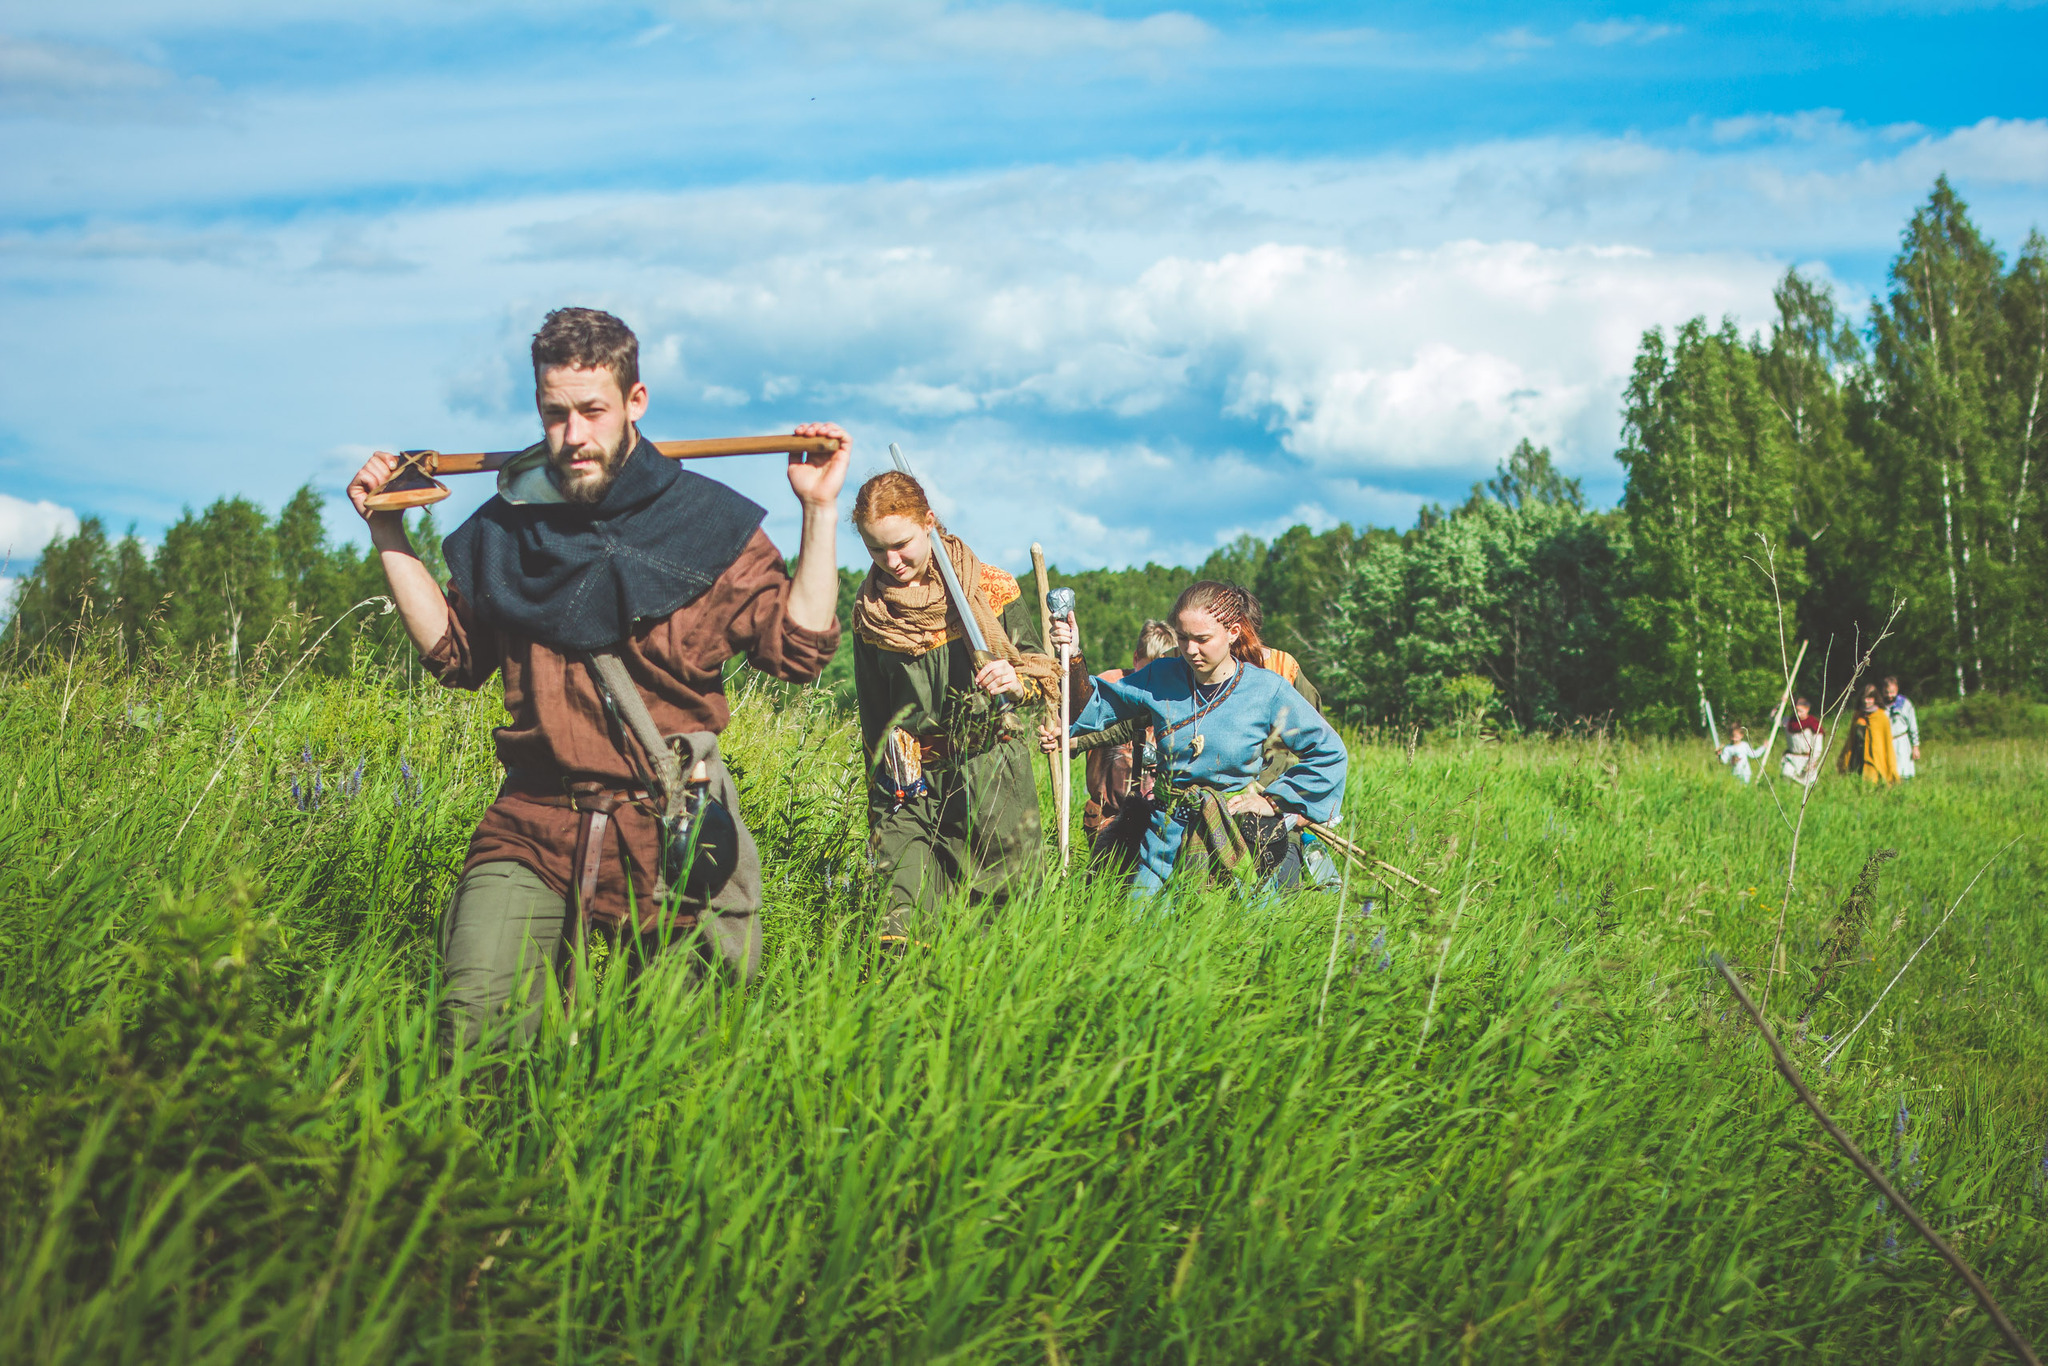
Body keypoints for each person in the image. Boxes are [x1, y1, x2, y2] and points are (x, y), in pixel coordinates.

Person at [347, 307, 849, 1050]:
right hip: (533, 822)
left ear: (634, 402)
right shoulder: (506, 527)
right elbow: (456, 656)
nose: (573, 435)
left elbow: (797, 651)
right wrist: (384, 530)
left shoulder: (708, 523)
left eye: (592, 411)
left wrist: (821, 512)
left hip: (672, 825)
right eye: (555, 414)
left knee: (683, 1062)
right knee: (473, 1033)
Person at [849, 471, 1060, 947]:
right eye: (876, 550)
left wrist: (1016, 679)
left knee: (999, 932)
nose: (891, 561)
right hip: (909, 783)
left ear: (929, 523)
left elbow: (1040, 671)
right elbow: (874, 720)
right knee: (900, 924)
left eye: (901, 544)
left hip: (991, 774)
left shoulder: (990, 587)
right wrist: (885, 796)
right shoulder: (870, 612)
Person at [1046, 581, 1347, 897]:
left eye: (1202, 639)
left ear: (1232, 632)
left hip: (1233, 837)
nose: (1190, 649)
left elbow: (1328, 752)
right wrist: (1074, 654)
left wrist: (1272, 801)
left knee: (1233, 936)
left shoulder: (1267, 689)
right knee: (1141, 928)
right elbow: (1088, 710)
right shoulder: (1160, 677)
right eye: (1183, 638)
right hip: (1165, 838)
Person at [1065, 619, 1177, 871]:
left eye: (1162, 673)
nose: (1153, 681)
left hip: (1154, 817)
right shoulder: (1113, 687)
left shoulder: (1170, 697)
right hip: (1107, 813)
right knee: (1104, 884)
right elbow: (1078, 720)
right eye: (1149, 671)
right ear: (1137, 658)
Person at [1838, 686, 1901, 785]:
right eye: (1865, 698)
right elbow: (1851, 738)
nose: (1867, 701)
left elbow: (1886, 742)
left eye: (1870, 698)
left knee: (1872, 784)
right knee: (1855, 783)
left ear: (1875, 699)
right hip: (1857, 757)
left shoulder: (1881, 717)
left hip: (1873, 757)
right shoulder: (1858, 715)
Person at [1780, 697, 1823, 786]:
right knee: (1786, 777)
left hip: (1807, 759)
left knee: (1807, 785)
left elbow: (1818, 746)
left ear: (1807, 709)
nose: (1798, 714)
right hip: (1792, 758)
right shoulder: (1788, 721)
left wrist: (1812, 761)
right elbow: (1774, 718)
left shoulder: (1814, 724)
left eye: (1800, 711)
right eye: (1796, 711)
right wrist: (1781, 704)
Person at [1884, 676, 1921, 779]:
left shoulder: (1906, 704)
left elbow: (1913, 726)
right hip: (1886, 742)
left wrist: (1915, 747)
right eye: (1887, 692)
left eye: (1892, 692)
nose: (1889, 695)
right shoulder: (1880, 706)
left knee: (1903, 772)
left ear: (1897, 690)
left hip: (1902, 741)